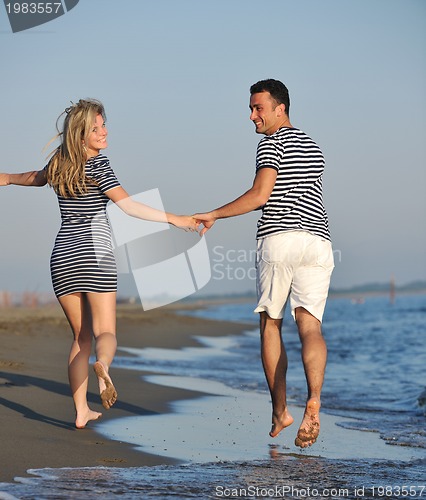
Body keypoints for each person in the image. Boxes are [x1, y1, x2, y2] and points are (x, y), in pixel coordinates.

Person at [0, 99, 197, 429]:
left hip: (62, 256)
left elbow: (35, 178)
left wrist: (5, 177)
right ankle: (103, 367)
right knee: (105, 331)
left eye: (104, 125)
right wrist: (175, 219)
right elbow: (129, 207)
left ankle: (81, 411)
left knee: (80, 337)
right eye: (96, 128)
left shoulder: (60, 163)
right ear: (81, 135)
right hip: (96, 254)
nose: (104, 132)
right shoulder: (99, 165)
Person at [194, 79, 334, 448]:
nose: (252, 116)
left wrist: (214, 214)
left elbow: (260, 195)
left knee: (270, 325)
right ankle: (314, 402)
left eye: (258, 108)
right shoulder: (314, 145)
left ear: (280, 109)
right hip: (318, 243)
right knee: (310, 327)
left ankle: (280, 411)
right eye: (251, 108)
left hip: (280, 239)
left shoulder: (271, 143)